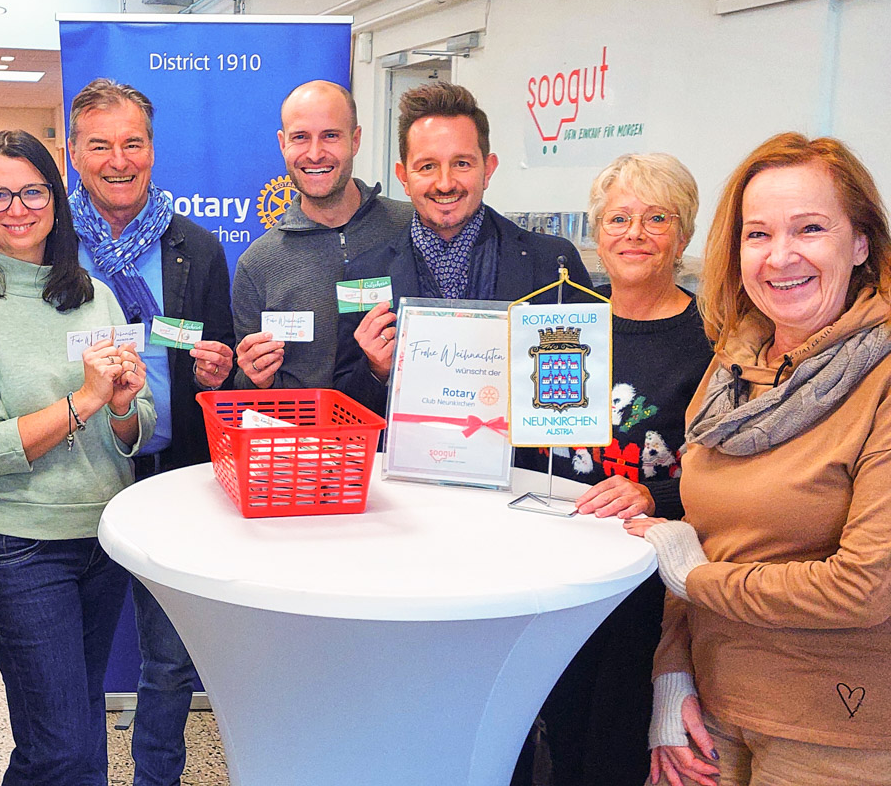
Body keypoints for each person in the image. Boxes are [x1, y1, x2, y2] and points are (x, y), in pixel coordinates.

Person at [625, 133, 891, 786]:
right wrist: (670, 675)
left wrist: (694, 579)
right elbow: (699, 533)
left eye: (810, 228)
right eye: (758, 233)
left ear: (860, 242)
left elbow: (864, 587)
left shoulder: (880, 379)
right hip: (710, 712)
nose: (781, 256)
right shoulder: (734, 365)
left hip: (834, 732)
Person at [0, 129, 155, 785]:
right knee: (61, 748)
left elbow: (136, 426)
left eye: (32, 191)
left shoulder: (92, 293)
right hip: (17, 549)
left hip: (101, 541)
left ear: (56, 200)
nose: (17, 207)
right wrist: (86, 398)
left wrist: (122, 406)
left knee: (77, 731)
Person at [510, 153, 712, 786]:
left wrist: (652, 493)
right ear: (596, 231)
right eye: (619, 217)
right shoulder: (564, 320)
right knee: (559, 726)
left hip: (647, 582)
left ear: (683, 234)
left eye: (657, 218)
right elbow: (525, 447)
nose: (635, 233)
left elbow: (729, 475)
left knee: (619, 743)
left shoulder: (714, 337)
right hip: (559, 570)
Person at [65, 77, 233, 786]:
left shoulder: (194, 245)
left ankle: (155, 777)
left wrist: (221, 371)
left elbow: (219, 357)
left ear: (153, 150)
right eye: (99, 144)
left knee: (167, 658)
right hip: (73, 473)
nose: (117, 159)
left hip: (170, 476)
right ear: (74, 153)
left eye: (132, 142)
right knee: (71, 656)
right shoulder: (48, 247)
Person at [335, 81, 592, 415]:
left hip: (519, 466)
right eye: (427, 166)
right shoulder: (362, 274)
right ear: (404, 176)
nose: (445, 183)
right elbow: (343, 404)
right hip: (403, 466)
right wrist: (375, 370)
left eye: (462, 164)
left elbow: (584, 394)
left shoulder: (553, 264)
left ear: (489, 169)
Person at [232, 79, 412, 389]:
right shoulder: (257, 264)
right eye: (300, 137)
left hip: (398, 433)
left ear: (355, 140)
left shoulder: (410, 227)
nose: (315, 153)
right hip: (298, 435)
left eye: (330, 136)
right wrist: (255, 378)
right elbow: (244, 390)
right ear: (282, 143)